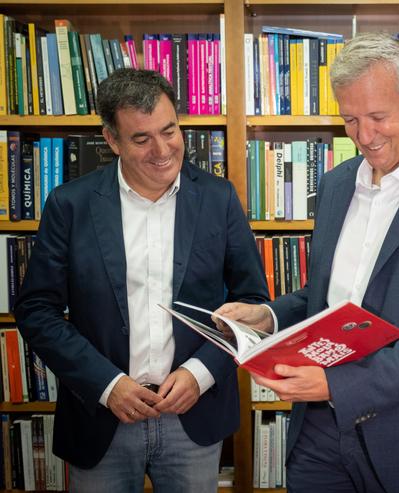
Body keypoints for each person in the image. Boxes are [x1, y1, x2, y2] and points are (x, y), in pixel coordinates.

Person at [215, 32, 399, 492]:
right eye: (350, 119)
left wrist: (337, 385)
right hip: (320, 436)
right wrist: (268, 316)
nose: (364, 136)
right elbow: (330, 298)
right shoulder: (335, 185)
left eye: (378, 117)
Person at [13, 68, 270, 492]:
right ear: (111, 140)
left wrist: (201, 373)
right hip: (101, 418)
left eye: (169, 131)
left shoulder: (218, 198)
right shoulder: (69, 205)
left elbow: (253, 303)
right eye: (141, 138)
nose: (162, 149)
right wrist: (107, 384)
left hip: (194, 416)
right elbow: (36, 310)